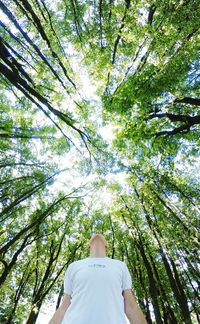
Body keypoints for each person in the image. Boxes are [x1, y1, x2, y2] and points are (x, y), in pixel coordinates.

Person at [49, 233, 147, 324]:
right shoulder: (74, 266)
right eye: (93, 234)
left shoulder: (120, 266)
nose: (97, 233)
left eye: (101, 234)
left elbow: (131, 306)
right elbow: (63, 307)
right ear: (88, 245)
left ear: (106, 245)